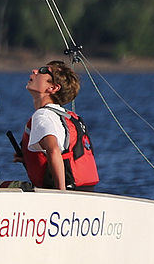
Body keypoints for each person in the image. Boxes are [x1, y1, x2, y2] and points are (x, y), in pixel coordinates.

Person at [17, 59, 99, 190]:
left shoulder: (42, 115)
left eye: (43, 71)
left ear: (53, 88)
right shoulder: (62, 115)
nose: (34, 71)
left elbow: (53, 150)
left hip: (62, 191)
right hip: (84, 190)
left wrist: (61, 194)